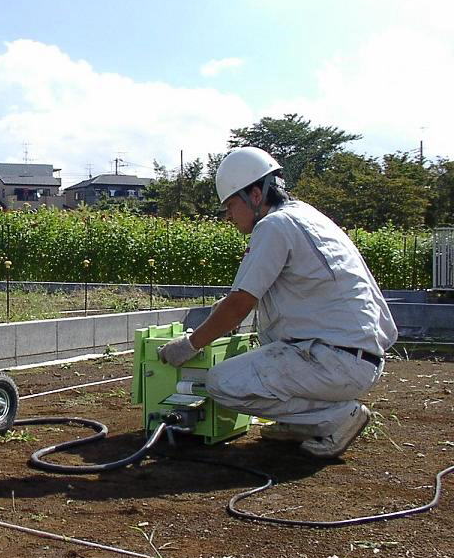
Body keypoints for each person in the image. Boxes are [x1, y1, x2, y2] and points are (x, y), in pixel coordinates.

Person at [158, 147, 397, 458]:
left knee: (221, 383)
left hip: (333, 360)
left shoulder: (273, 226)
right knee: (267, 352)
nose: (228, 216)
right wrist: (224, 310)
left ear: (255, 195)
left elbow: (241, 303)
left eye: (230, 205)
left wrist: (189, 345)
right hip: (354, 356)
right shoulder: (307, 217)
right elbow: (260, 293)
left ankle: (334, 419)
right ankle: (302, 424)